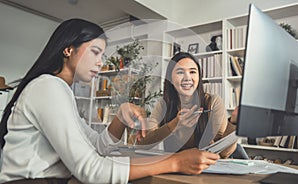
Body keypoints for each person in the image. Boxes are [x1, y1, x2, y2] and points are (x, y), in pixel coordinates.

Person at [0, 19, 220, 184]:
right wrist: (175, 162)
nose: (100, 63)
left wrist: (119, 119)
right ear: (68, 50)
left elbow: (97, 148)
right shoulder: (47, 87)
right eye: (95, 52)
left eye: (102, 55)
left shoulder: (61, 92)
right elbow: (91, 169)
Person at [132, 52, 237, 158]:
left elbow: (222, 154)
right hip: (175, 169)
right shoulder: (163, 105)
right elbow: (144, 145)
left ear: (199, 77)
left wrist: (234, 123)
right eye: (180, 72)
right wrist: (174, 125)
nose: (187, 78)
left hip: (206, 169)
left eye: (192, 72)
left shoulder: (213, 102)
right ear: (170, 78)